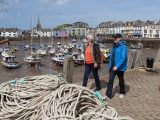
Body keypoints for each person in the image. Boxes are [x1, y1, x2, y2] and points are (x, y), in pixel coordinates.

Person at [105, 33, 128, 99]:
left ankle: (122, 92)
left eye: (115, 38)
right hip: (112, 66)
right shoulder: (113, 46)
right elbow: (112, 56)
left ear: (119, 38)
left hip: (120, 67)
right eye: (114, 38)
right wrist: (110, 65)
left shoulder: (123, 46)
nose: (114, 39)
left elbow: (123, 58)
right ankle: (108, 95)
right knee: (110, 80)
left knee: (121, 80)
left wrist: (117, 66)